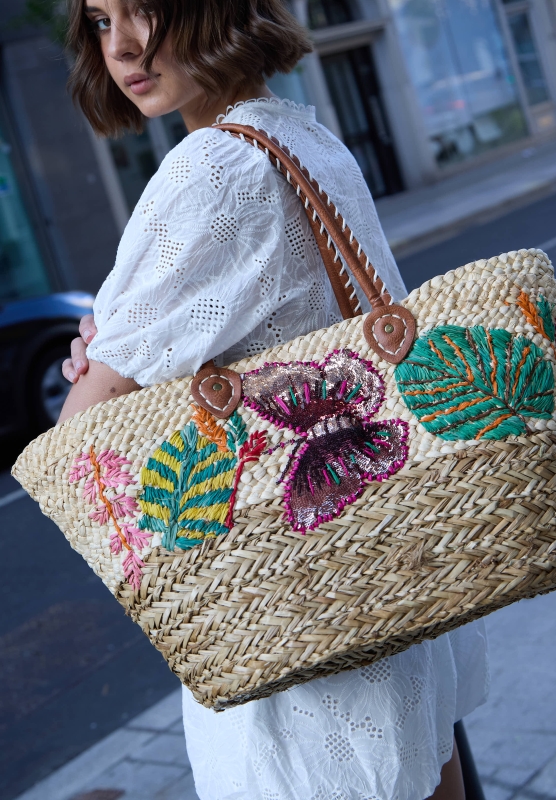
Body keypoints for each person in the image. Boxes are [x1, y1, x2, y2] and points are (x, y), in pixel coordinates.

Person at [60, 1, 489, 798]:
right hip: (385, 575)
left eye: (143, 9)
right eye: (98, 19)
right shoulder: (303, 134)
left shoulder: (210, 169)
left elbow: (81, 434)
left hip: (290, 614)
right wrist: (123, 344)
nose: (121, 47)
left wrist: (102, 359)